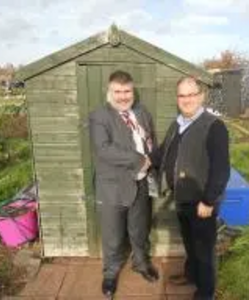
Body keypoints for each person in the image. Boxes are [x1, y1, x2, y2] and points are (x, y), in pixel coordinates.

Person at [151, 76, 230, 300]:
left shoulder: (214, 126)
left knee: (204, 251)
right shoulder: (177, 123)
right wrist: (147, 161)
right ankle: (191, 275)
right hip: (182, 198)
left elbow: (221, 168)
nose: (187, 100)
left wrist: (209, 200)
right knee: (190, 243)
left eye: (191, 94)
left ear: (201, 96)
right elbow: (163, 151)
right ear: (177, 98)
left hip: (202, 202)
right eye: (182, 95)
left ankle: (205, 294)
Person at [88, 70, 159, 299]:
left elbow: (150, 140)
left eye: (126, 91)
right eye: (117, 92)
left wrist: (153, 161)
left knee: (139, 229)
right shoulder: (99, 116)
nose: (122, 96)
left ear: (133, 90)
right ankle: (110, 274)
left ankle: (141, 263)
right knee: (113, 235)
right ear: (110, 91)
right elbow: (104, 149)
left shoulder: (142, 112)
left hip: (141, 184)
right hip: (113, 187)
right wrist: (139, 160)